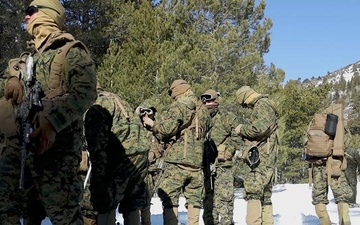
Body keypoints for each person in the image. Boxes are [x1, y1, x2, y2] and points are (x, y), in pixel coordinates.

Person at [0, 0, 97, 224]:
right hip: (18, 153)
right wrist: (11, 79)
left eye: (31, 12)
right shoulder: (26, 60)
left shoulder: (71, 52)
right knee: (10, 211)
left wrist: (53, 123)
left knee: (65, 216)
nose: (26, 17)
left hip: (56, 153)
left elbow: (85, 93)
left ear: (49, 14)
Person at [142, 79, 212, 225]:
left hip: (177, 161)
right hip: (197, 163)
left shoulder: (179, 106)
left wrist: (152, 124)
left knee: (169, 197)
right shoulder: (203, 109)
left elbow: (166, 130)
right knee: (194, 199)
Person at [84, 85, 150, 225]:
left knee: (105, 200)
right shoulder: (119, 100)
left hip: (120, 157)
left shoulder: (98, 104)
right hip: (139, 156)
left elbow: (97, 140)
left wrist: (98, 171)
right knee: (132, 203)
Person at [234, 86, 279, 225]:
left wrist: (241, 129)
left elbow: (257, 129)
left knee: (253, 192)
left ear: (246, 97)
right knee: (265, 196)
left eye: (244, 104)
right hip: (266, 156)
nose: (246, 107)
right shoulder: (265, 104)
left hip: (261, 159)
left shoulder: (262, 105)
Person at [305, 104, 352, 225]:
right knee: (341, 196)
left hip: (317, 164)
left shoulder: (314, 123)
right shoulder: (338, 124)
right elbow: (347, 142)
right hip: (335, 163)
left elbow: (306, 142)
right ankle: (345, 222)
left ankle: (324, 222)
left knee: (319, 197)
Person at [201, 89, 241, 225]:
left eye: (211, 100)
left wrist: (228, 151)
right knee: (207, 201)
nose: (208, 103)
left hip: (223, 165)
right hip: (204, 166)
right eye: (205, 101)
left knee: (225, 200)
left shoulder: (226, 117)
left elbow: (237, 136)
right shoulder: (199, 118)